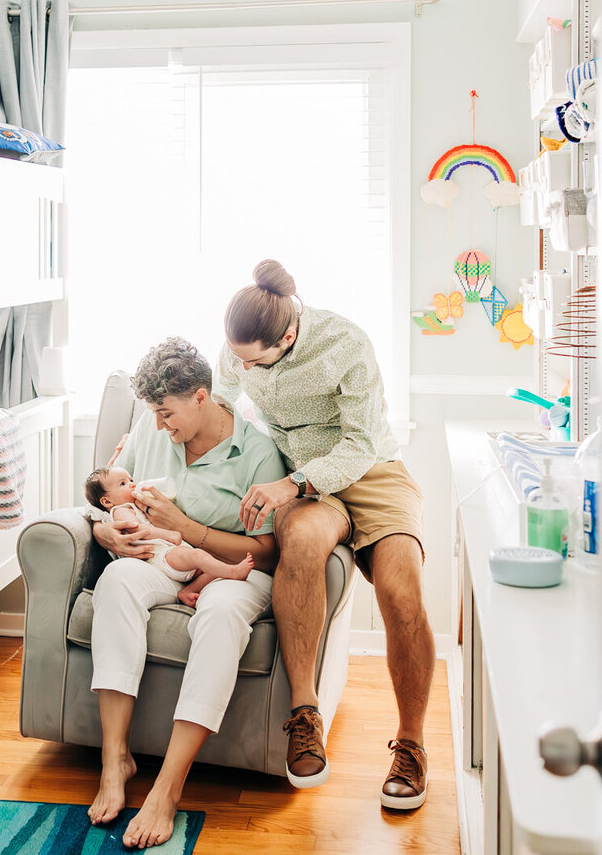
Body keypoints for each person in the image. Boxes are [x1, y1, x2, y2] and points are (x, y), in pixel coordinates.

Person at [221, 260, 433, 812]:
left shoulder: (345, 343)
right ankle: (305, 715)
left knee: (401, 590)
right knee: (305, 544)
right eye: (238, 357)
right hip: (305, 483)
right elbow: (221, 399)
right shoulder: (240, 345)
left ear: (288, 336)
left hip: (369, 469)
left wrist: (291, 483)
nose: (242, 366)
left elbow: (362, 442)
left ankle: (411, 744)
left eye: (252, 360)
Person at [87, 338, 286, 850]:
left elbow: (265, 551)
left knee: (220, 617)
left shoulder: (257, 452)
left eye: (166, 413)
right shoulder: (149, 434)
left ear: (201, 397)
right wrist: (103, 529)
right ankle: (116, 760)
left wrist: (190, 530)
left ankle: (167, 787)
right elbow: (105, 498)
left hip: (234, 571)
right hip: (159, 559)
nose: (158, 425)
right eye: (152, 413)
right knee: (115, 582)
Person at [84, 467, 256, 606]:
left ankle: (188, 591)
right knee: (198, 556)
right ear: (107, 501)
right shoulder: (121, 510)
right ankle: (233, 572)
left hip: (171, 555)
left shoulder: (135, 505)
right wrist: (168, 533)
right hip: (161, 557)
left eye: (131, 480)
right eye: (123, 484)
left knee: (210, 564)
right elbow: (137, 530)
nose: (132, 485)